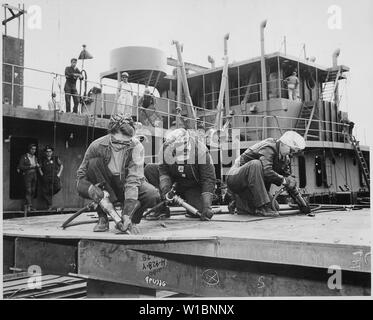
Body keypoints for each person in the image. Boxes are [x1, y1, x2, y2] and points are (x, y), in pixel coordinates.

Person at [76, 113, 160, 233]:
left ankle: (132, 221)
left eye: (126, 143)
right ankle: (102, 218)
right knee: (93, 164)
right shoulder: (96, 146)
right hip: (106, 185)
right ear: (111, 134)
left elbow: (133, 180)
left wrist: (127, 214)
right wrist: (93, 191)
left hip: (126, 184)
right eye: (118, 142)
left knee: (152, 194)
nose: (122, 146)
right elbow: (81, 177)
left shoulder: (137, 147)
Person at [226, 131, 305, 216]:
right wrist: (284, 180)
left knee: (274, 206)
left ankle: (240, 202)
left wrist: (301, 203)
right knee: (255, 164)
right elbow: (267, 171)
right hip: (235, 178)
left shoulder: (285, 159)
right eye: (291, 150)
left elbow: (290, 182)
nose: (291, 153)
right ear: (282, 144)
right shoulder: (269, 147)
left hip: (248, 187)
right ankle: (261, 208)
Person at [144, 128, 216, 220]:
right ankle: (161, 209)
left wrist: (207, 206)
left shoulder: (201, 152)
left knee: (199, 211)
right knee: (150, 169)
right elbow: (163, 171)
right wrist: (166, 189)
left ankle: (195, 204)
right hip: (174, 180)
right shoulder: (165, 148)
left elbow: (208, 179)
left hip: (193, 185)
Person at [17, 144, 42, 211]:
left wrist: (38, 165)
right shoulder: (24, 156)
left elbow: (39, 165)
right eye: (32, 149)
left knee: (33, 190)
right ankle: (29, 206)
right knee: (28, 190)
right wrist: (29, 167)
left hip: (34, 174)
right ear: (29, 149)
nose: (34, 150)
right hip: (27, 174)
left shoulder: (35, 157)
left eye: (35, 149)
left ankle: (28, 205)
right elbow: (20, 166)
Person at [39, 146, 63, 210]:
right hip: (46, 177)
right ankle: (49, 206)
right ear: (45, 152)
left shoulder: (55, 158)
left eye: (50, 151)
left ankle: (50, 194)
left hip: (54, 176)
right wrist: (42, 174)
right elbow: (39, 167)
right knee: (45, 191)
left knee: (58, 187)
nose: (48, 153)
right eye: (47, 151)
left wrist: (59, 174)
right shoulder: (42, 159)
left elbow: (61, 166)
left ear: (52, 152)